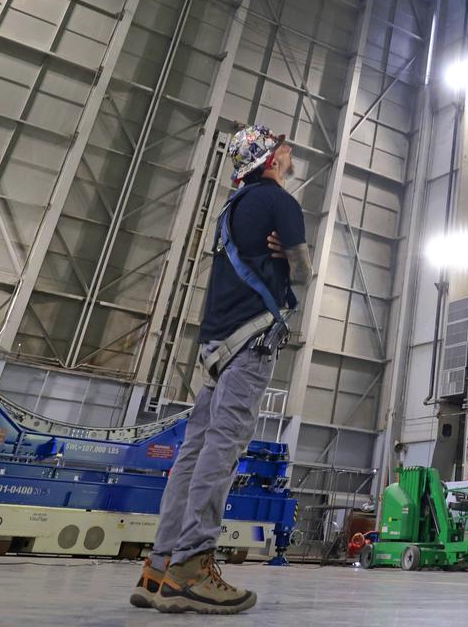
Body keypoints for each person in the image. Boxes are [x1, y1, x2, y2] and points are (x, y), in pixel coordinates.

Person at [131, 124, 310, 615]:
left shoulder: (232, 207)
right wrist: (291, 259)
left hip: (213, 342)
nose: (290, 153)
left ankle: (160, 566)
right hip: (249, 342)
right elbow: (303, 269)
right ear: (271, 160)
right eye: (284, 148)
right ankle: (192, 566)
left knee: (193, 453)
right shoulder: (280, 203)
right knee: (223, 450)